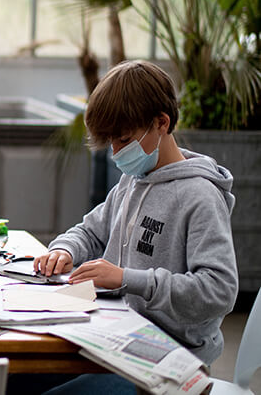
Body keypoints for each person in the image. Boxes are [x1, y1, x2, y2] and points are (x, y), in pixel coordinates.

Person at [28, 60, 238, 394]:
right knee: (15, 377)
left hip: (171, 358)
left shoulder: (199, 196)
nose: (115, 152)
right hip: (117, 337)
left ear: (161, 123)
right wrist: (64, 249)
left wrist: (127, 279)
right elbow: (91, 230)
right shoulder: (133, 181)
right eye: (110, 141)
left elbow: (219, 290)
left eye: (124, 139)